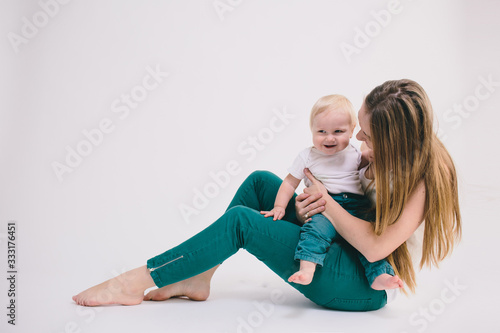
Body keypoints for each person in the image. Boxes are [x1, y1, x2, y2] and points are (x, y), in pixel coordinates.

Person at [72, 79, 461, 311]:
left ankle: (133, 281)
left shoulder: (425, 181)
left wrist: (323, 202)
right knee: (261, 182)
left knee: (242, 222)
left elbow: (375, 249)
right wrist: (312, 206)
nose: (357, 139)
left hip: (360, 283)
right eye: (359, 128)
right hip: (334, 243)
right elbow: (339, 211)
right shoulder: (382, 153)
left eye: (367, 135)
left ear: (395, 142)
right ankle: (198, 277)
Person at [261, 94, 402, 290]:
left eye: (338, 131)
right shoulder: (307, 156)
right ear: (311, 130)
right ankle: (307, 268)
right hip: (324, 207)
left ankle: (379, 275)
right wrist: (279, 206)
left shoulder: (354, 153)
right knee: (314, 233)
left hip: (356, 205)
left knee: (368, 239)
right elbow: (289, 183)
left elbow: (376, 157)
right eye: (321, 131)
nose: (329, 138)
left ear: (352, 131)